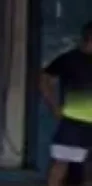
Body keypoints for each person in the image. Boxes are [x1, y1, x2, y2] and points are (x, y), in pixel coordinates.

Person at [42, 21, 92, 186]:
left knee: (88, 169)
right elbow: (45, 79)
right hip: (73, 122)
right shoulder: (70, 59)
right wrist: (54, 106)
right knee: (60, 164)